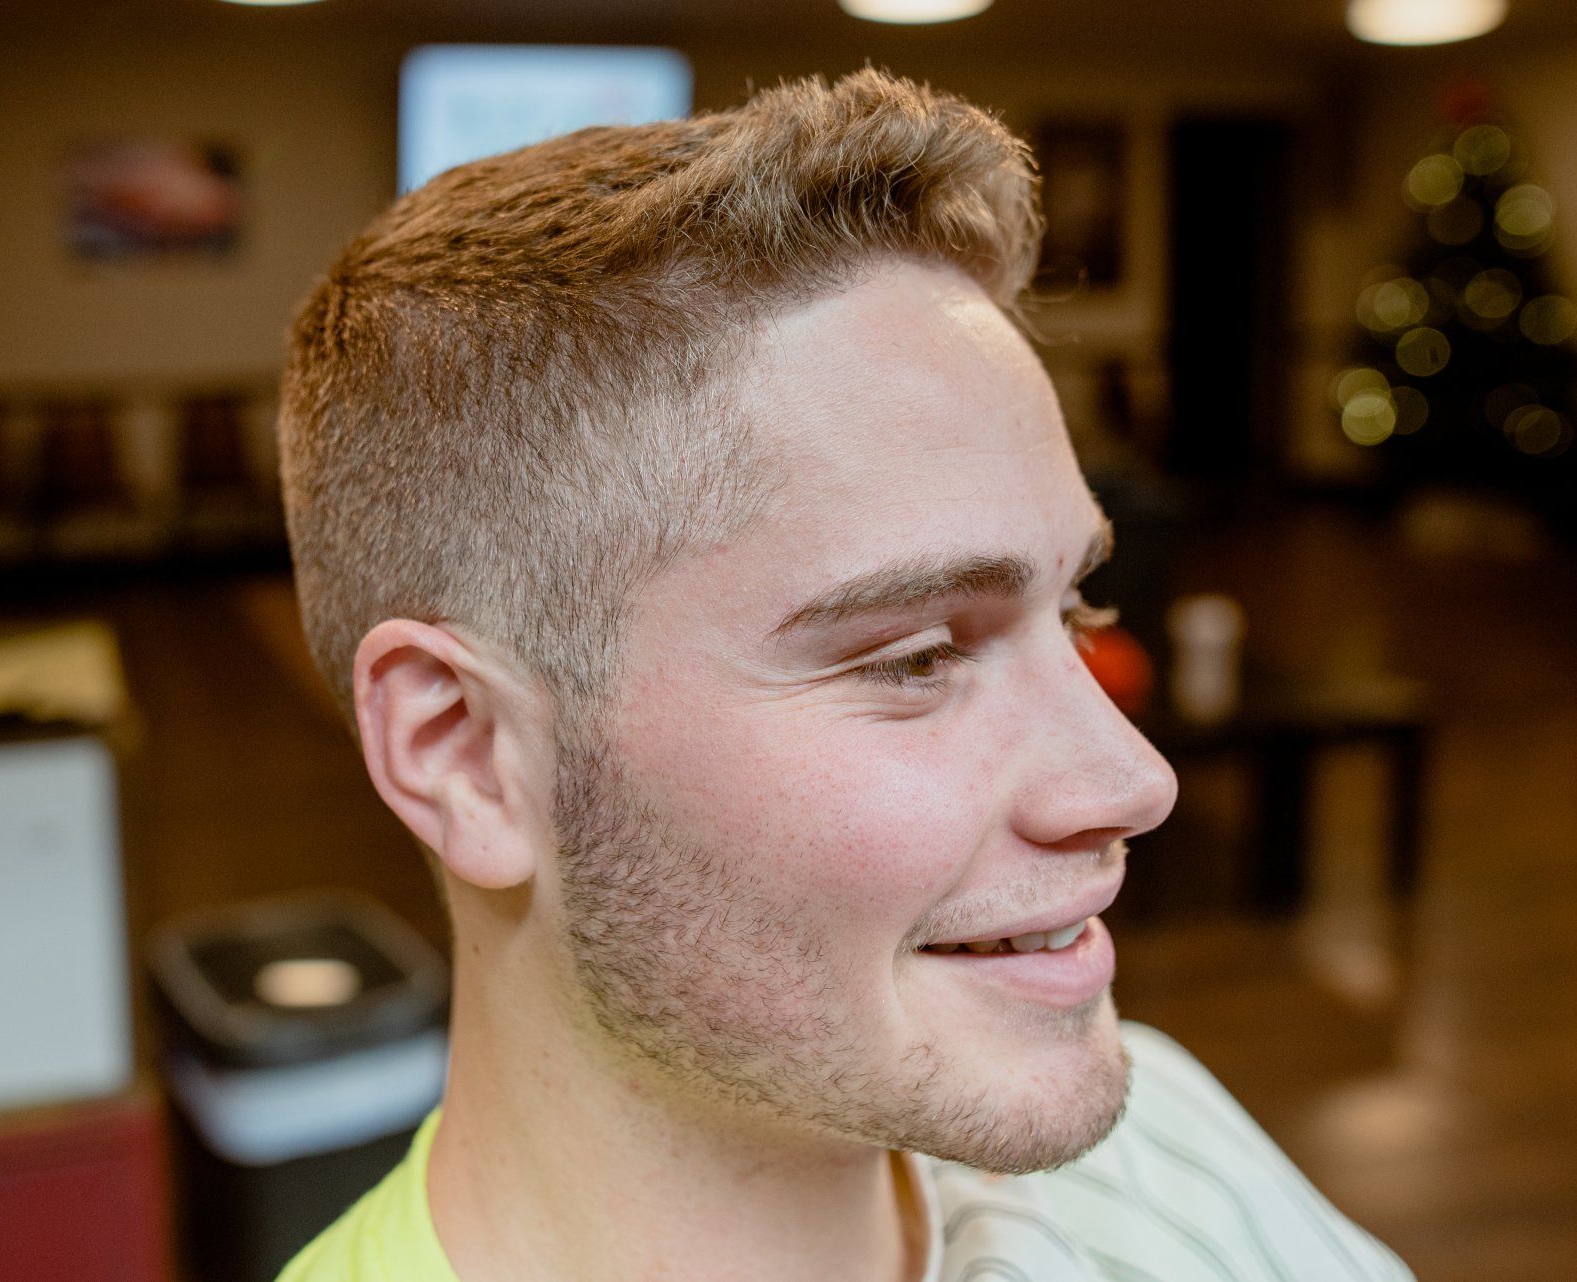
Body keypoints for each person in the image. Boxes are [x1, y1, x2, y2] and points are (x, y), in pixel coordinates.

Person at [274, 70, 1413, 1282]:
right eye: (916, 656)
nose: (1134, 782)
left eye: (1077, 604)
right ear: (465, 754)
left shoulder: (1171, 1143)